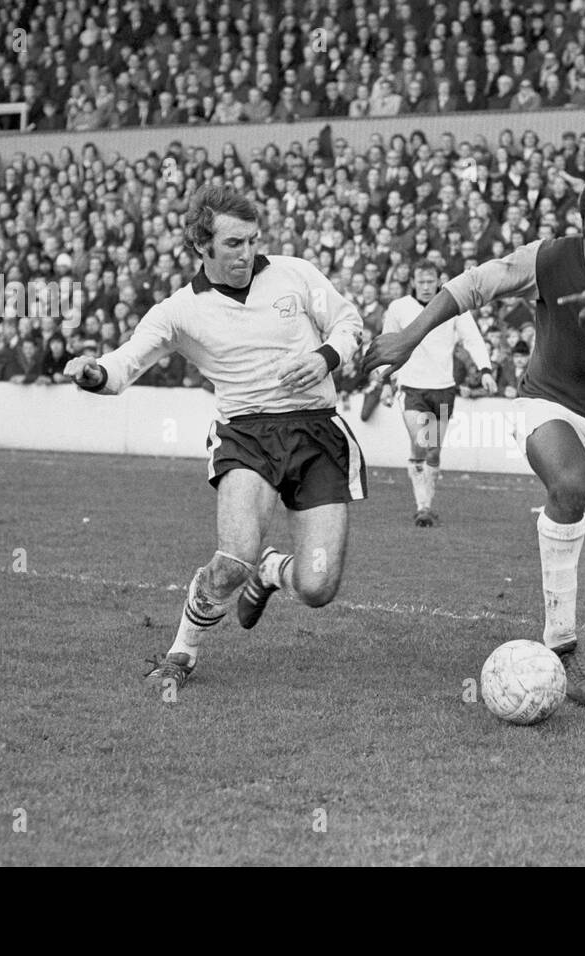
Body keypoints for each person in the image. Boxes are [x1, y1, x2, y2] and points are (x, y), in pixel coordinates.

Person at [362, 172, 585, 705]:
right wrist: (411, 338)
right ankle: (563, 644)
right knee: (569, 484)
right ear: (581, 225)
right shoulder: (548, 259)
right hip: (549, 404)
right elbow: (472, 284)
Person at [63, 185, 367, 696]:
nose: (245, 253)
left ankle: (272, 571)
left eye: (251, 241)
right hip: (247, 436)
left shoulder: (294, 273)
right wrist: (94, 372)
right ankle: (182, 651)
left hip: (317, 432)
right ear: (201, 246)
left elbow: (348, 322)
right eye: (232, 244)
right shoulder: (180, 310)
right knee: (231, 561)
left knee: (318, 588)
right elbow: (125, 364)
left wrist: (325, 358)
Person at [380, 260, 496, 526]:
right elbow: (387, 344)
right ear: (412, 282)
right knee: (422, 439)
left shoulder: (453, 306)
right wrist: (385, 381)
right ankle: (421, 506)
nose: (424, 286)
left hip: (443, 390)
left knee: (432, 450)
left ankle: (426, 505)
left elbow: (473, 339)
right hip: (412, 387)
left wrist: (486, 369)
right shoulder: (399, 308)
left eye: (429, 281)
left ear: (438, 280)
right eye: (420, 281)